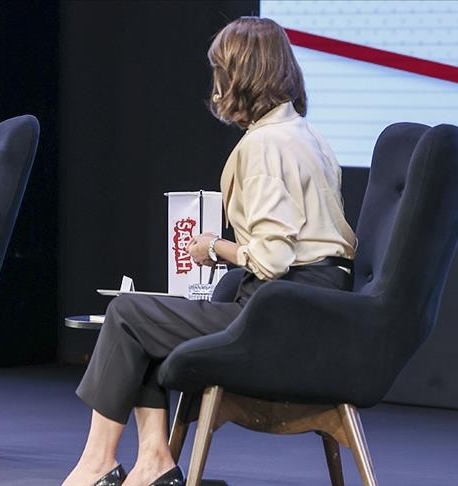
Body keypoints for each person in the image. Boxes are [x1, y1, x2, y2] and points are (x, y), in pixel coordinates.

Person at [62, 17, 356, 486]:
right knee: (144, 323)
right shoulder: (307, 134)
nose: (215, 84)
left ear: (238, 76)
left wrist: (215, 246)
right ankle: (153, 462)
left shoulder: (264, 146)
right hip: (317, 309)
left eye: (219, 70)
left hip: (279, 315)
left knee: (126, 313)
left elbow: (273, 260)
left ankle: (99, 462)